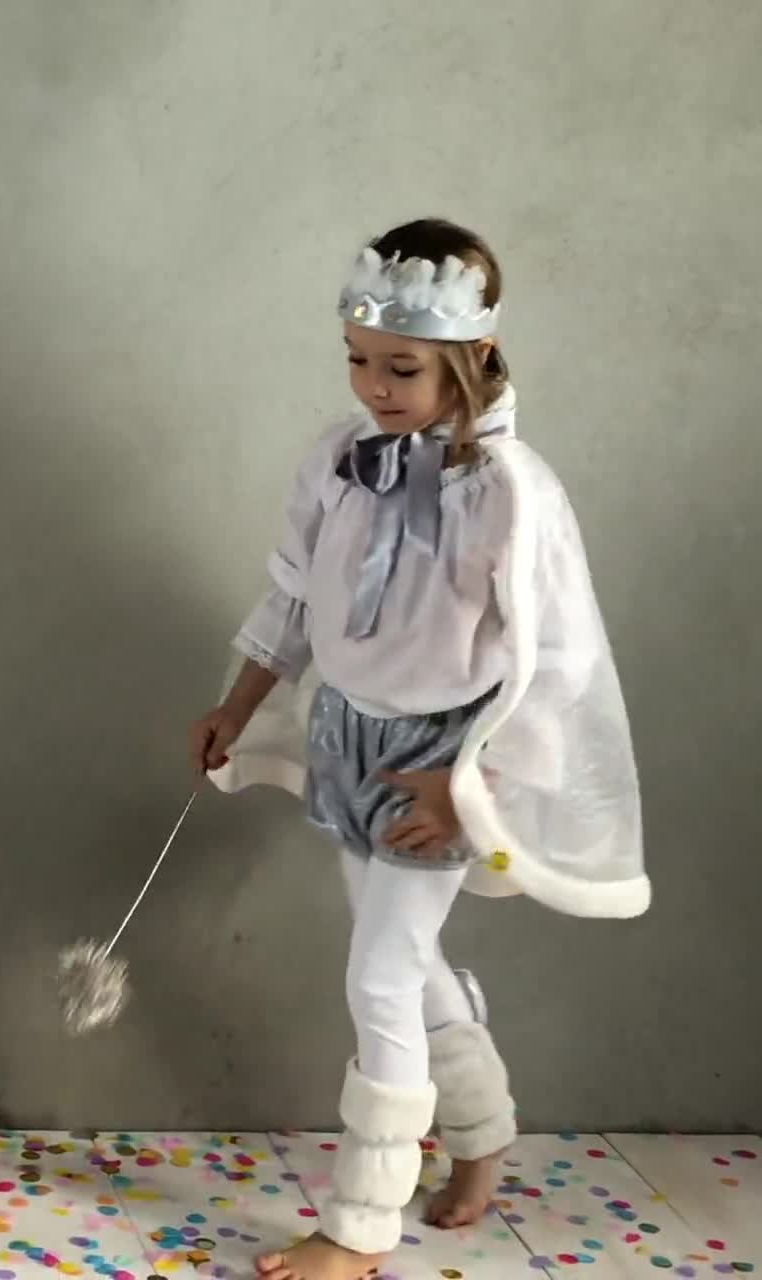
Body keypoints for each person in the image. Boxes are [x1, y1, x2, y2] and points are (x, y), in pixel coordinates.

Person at [189, 218, 646, 1280]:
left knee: (380, 976)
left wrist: (468, 788)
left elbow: (555, 660)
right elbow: (296, 595)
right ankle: (482, 1135)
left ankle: (358, 1224)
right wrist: (239, 699)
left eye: (399, 367)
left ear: (471, 360)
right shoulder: (339, 461)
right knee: (401, 953)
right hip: (347, 735)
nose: (372, 386)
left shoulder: (506, 492)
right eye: (355, 358)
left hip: (437, 762)